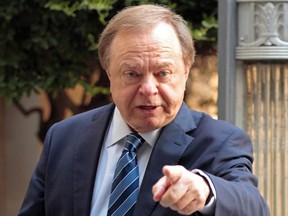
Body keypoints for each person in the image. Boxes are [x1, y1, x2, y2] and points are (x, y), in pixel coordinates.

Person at [18, 4, 269, 216]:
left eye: (163, 73)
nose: (149, 89)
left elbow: (252, 205)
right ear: (109, 75)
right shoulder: (63, 137)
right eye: (132, 74)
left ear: (185, 71)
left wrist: (206, 189)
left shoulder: (220, 142)